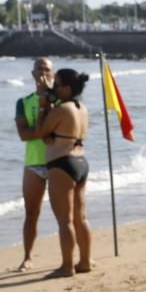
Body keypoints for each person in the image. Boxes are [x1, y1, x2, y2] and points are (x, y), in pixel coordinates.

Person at [29, 68, 93, 278]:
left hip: (61, 164)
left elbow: (40, 132)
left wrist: (42, 108)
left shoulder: (62, 109)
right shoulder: (81, 108)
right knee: (80, 218)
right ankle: (84, 261)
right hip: (80, 162)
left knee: (65, 220)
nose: (54, 89)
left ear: (66, 88)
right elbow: (57, 134)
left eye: (56, 85)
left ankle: (67, 266)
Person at [14, 57, 54, 272]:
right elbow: (24, 134)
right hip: (34, 163)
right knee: (31, 213)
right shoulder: (24, 102)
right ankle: (27, 257)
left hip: (57, 161)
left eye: (46, 69)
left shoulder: (59, 100)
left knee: (66, 214)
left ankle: (73, 255)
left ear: (53, 74)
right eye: (39, 69)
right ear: (32, 73)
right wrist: (40, 132)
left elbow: (60, 129)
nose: (42, 73)